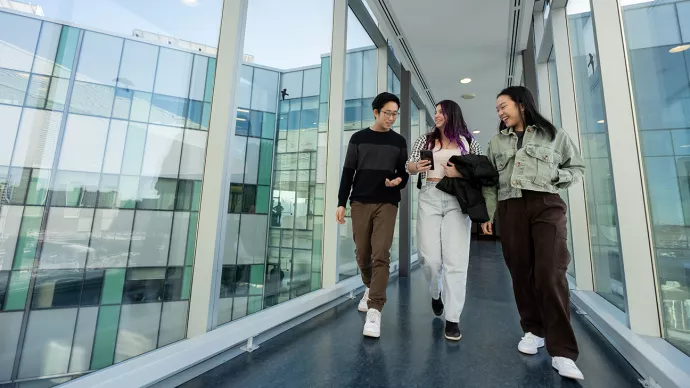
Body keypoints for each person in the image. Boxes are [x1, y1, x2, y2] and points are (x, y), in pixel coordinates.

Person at [481, 86, 586, 380]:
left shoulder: (555, 135)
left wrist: (558, 175)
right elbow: (489, 182)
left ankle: (563, 351)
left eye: (503, 106)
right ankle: (533, 330)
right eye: (497, 109)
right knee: (520, 271)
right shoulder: (496, 142)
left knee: (550, 272)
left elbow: (576, 168)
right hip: (510, 207)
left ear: (522, 104)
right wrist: (488, 215)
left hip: (546, 204)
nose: (500, 112)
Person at [406, 100, 483, 341]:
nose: (436, 115)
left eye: (440, 111)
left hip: (457, 198)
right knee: (429, 258)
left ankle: (453, 318)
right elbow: (408, 165)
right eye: (436, 111)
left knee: (456, 259)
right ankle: (435, 291)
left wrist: (459, 172)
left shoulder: (467, 141)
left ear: (451, 114)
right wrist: (416, 166)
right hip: (429, 195)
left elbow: (480, 167)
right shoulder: (425, 139)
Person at [336, 92, 409, 339]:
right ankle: (369, 287)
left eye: (395, 114)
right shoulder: (358, 138)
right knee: (362, 253)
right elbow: (348, 172)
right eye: (387, 113)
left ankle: (375, 309)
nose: (391, 118)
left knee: (381, 253)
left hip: (387, 202)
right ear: (375, 112)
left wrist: (398, 180)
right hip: (360, 201)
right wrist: (341, 203)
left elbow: (404, 172)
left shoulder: (398, 141)